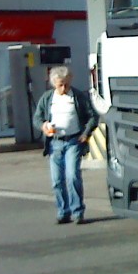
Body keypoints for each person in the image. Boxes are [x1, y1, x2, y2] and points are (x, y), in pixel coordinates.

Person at [32, 65, 99, 225]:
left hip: (73, 141)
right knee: (57, 180)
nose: (64, 88)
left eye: (66, 84)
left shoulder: (77, 96)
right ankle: (63, 212)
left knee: (72, 176)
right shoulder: (48, 98)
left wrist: (85, 134)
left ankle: (77, 212)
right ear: (54, 83)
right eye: (60, 84)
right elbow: (37, 118)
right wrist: (44, 126)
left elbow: (92, 116)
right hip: (55, 142)